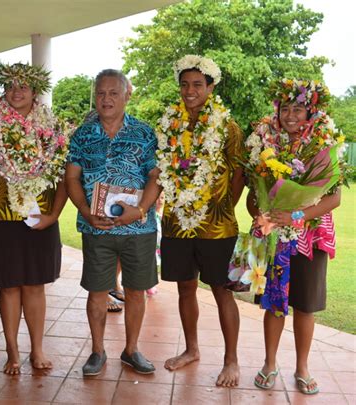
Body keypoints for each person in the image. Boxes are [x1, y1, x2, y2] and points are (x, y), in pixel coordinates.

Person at [247, 79, 345, 395]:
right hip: (275, 235)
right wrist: (258, 212)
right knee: (275, 303)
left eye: (298, 109)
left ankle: (302, 367)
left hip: (310, 238)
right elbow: (253, 191)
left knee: (305, 305)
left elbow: (334, 199)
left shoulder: (323, 146)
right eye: (285, 109)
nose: (291, 116)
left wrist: (295, 216)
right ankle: (269, 363)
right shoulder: (263, 142)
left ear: (310, 111)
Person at [156, 55, 245, 386]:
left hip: (217, 226)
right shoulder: (169, 124)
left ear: (210, 87)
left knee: (222, 290)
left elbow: (238, 174)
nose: (189, 90)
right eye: (184, 84)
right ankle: (192, 349)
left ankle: (231, 360)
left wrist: (223, 207)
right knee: (185, 287)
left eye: (197, 84)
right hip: (177, 222)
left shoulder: (227, 126)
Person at [65, 69, 161, 376]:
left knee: (135, 290)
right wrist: (84, 209)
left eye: (113, 93)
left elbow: (155, 177)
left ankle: (131, 350)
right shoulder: (81, 135)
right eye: (101, 93)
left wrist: (141, 209)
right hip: (97, 226)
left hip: (139, 228)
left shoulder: (145, 133)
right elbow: (72, 178)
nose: (106, 99)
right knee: (97, 291)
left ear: (127, 95)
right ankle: (97, 351)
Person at [0, 62, 69, 375]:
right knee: (9, 286)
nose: (16, 92)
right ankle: (12, 350)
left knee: (34, 286)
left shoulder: (51, 125)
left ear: (35, 91)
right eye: (11, 86)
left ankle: (37, 348)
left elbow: (63, 176)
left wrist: (54, 215)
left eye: (23, 87)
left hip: (37, 217)